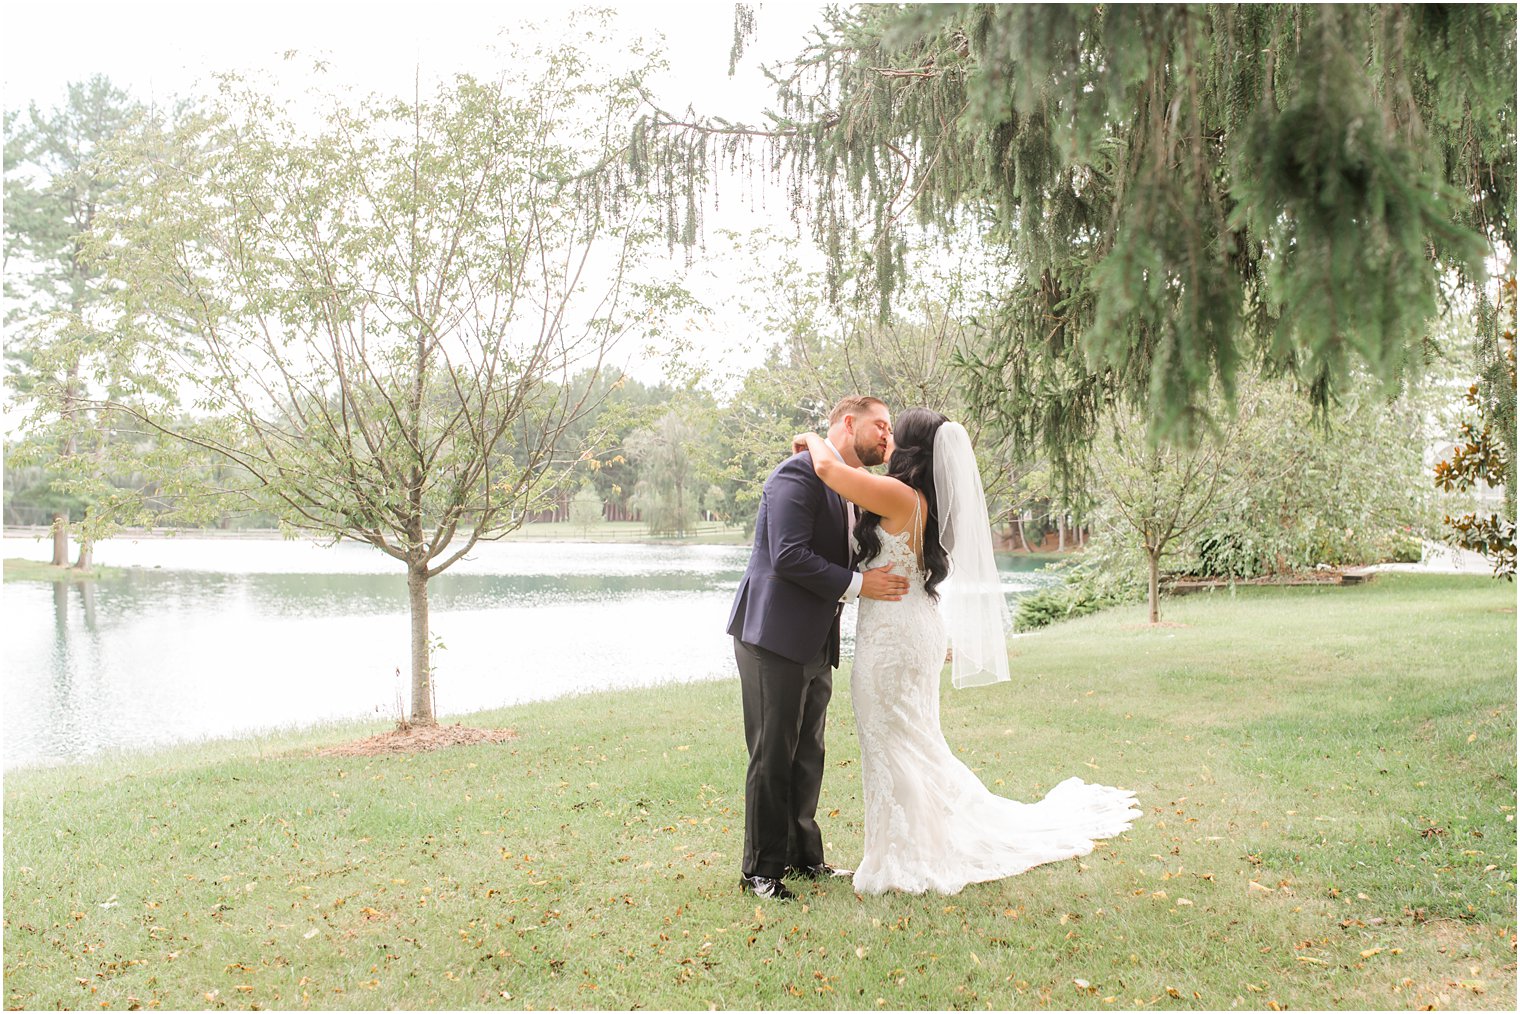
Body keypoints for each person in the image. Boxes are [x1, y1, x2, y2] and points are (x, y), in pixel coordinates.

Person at [792, 408, 1141, 895]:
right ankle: (905, 844)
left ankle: (908, 853)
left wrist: (809, 434)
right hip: (912, 627)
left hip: (894, 635)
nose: (887, 439)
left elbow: (829, 470)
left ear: (911, 449)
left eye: (896, 434)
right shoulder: (926, 504)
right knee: (911, 739)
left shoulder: (898, 495)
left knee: (894, 741)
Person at [726, 396, 911, 902]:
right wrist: (859, 585)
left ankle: (804, 857)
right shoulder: (797, 473)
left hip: (815, 640)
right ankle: (760, 872)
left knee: (808, 754)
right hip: (772, 636)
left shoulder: (846, 485)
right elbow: (788, 556)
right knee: (772, 755)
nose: (885, 435)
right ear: (849, 423)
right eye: (880, 425)